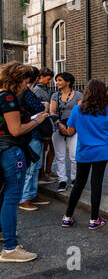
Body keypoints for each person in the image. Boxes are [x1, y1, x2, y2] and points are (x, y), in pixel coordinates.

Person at [0, 62, 48, 262]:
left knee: (3, 196)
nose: (26, 85)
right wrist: (38, 120)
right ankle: (10, 248)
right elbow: (16, 130)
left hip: (3, 150)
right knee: (12, 198)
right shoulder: (8, 98)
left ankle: (4, 235)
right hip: (11, 151)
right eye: (25, 81)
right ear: (17, 80)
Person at [61, 80, 108, 229]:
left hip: (84, 151)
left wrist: (59, 124)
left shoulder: (77, 110)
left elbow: (70, 131)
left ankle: (67, 217)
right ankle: (94, 220)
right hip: (101, 151)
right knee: (96, 184)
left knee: (79, 184)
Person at [19, 66, 51, 211]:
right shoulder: (27, 93)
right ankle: (25, 198)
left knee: (35, 166)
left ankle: (32, 194)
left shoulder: (23, 92)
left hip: (32, 132)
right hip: (32, 132)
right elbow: (40, 109)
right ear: (36, 78)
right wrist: (44, 105)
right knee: (31, 167)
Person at [50, 72, 83, 192]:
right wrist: (58, 124)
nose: (57, 82)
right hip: (58, 128)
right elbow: (52, 112)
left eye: (59, 80)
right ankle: (62, 180)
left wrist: (71, 127)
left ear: (68, 82)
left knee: (74, 156)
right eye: (56, 80)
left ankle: (75, 179)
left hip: (74, 129)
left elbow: (81, 112)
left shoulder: (78, 95)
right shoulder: (55, 95)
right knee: (60, 156)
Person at [34, 67, 57, 184]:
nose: (50, 81)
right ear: (40, 77)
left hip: (48, 122)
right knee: (44, 149)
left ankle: (47, 170)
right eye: (48, 79)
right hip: (42, 123)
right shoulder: (37, 90)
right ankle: (42, 173)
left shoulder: (45, 88)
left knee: (51, 148)